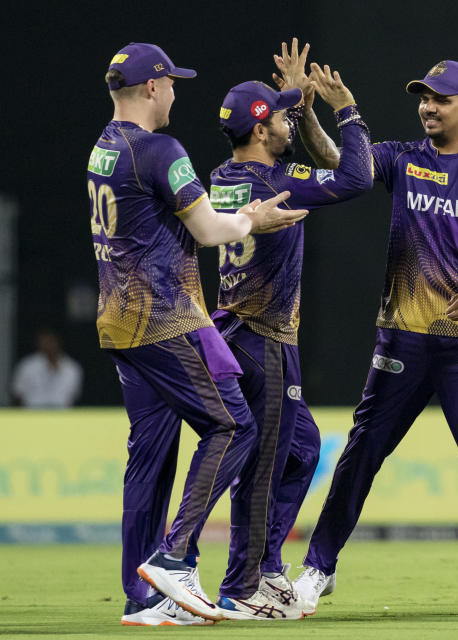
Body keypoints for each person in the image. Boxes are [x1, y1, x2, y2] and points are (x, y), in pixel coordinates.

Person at [292, 60, 458, 616]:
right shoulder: (402, 156)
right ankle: (317, 568)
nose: (428, 107)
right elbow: (336, 162)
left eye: (441, 99)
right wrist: (310, 113)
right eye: (424, 98)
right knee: (361, 452)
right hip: (401, 338)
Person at [89, 42, 307, 626]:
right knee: (234, 424)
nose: (176, 93)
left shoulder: (103, 148)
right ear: (154, 87)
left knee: (150, 457)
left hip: (118, 322)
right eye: (172, 83)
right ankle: (175, 558)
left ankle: (148, 597)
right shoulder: (161, 149)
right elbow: (210, 231)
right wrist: (253, 219)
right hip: (162, 319)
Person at [207, 39, 373, 620]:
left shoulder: (225, 174)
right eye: (279, 117)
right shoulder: (276, 182)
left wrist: (295, 104)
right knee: (265, 463)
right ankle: (243, 583)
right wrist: (344, 108)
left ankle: (266, 565)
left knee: (300, 450)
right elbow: (355, 176)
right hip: (264, 338)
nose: (287, 121)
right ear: (260, 130)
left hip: (245, 333)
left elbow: (275, 141)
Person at [11, 329, 83, 408]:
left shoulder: (72, 368)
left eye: (51, 341)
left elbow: (74, 396)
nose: (48, 345)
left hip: (62, 416)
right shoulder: (27, 366)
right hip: (33, 415)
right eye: (45, 342)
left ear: (58, 342)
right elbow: (17, 394)